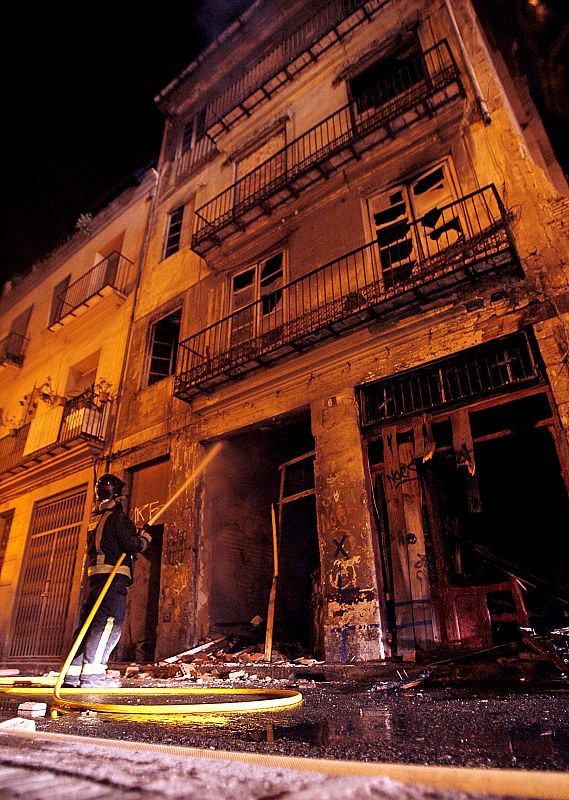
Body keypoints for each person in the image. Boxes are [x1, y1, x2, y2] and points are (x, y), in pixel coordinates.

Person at [63, 473, 152, 688]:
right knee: (109, 623)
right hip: (113, 579)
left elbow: (112, 543)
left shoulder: (96, 520)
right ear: (119, 495)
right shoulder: (118, 518)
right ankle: (93, 675)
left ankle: (72, 675)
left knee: (89, 623)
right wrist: (144, 540)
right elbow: (131, 545)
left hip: (97, 578)